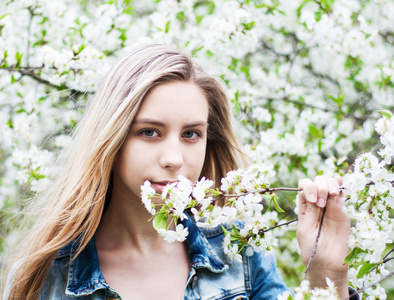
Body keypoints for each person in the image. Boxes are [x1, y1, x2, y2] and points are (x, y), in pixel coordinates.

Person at [3, 44, 357, 299]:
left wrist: (325, 272)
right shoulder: (49, 278)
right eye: (149, 132)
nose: (174, 158)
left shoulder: (239, 254)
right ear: (112, 139)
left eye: (191, 134)